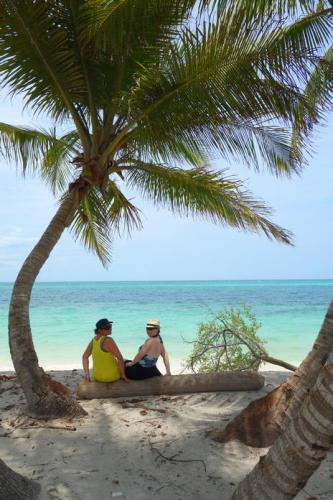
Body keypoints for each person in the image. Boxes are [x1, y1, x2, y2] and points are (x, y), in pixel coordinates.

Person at [82, 318, 128, 383]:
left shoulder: (94, 340)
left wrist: (87, 376)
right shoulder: (108, 340)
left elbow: (84, 357)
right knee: (126, 361)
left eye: (110, 326)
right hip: (111, 377)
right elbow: (119, 358)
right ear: (99, 330)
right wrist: (123, 375)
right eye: (107, 327)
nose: (110, 328)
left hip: (97, 376)